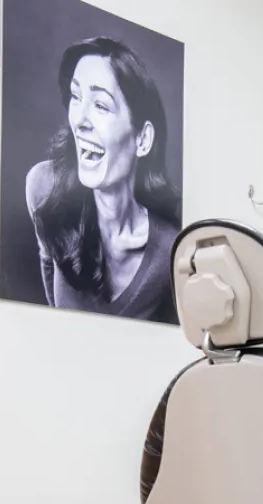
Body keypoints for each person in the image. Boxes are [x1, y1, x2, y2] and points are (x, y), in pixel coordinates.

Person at [26, 38, 180, 322]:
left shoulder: (171, 251)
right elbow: (54, 308)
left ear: (142, 139)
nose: (80, 120)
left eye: (100, 105)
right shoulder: (43, 187)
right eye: (76, 97)